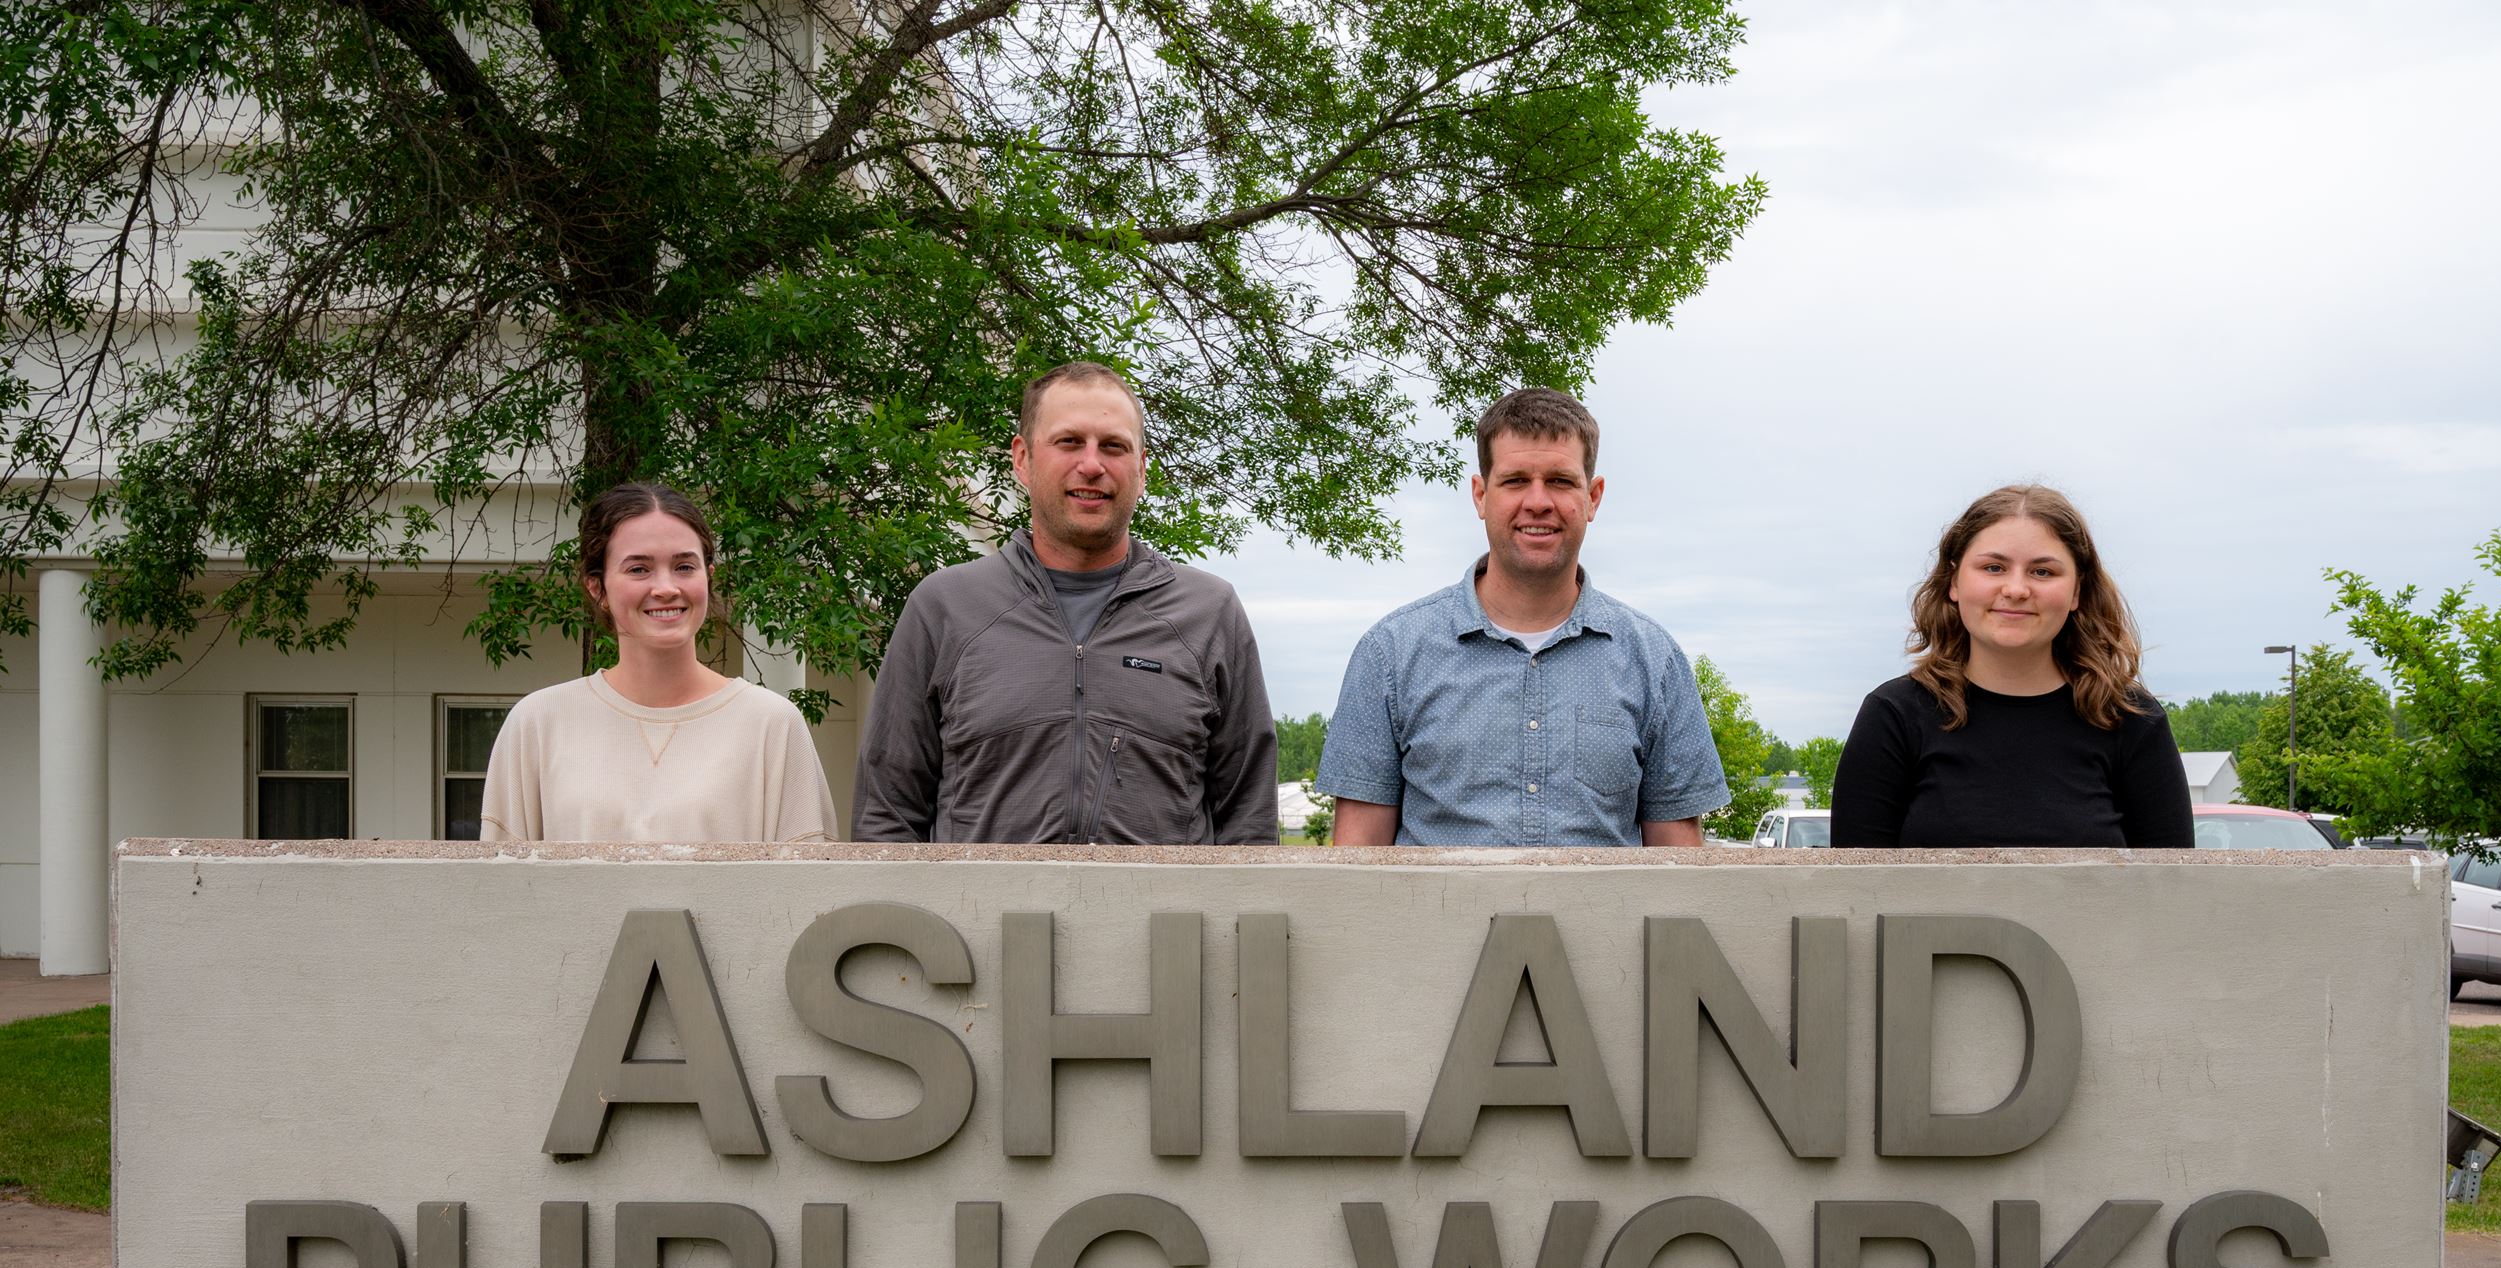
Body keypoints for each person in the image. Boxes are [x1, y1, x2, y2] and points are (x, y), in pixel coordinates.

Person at [850, 361, 1279, 844]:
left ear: (1140, 470)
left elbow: (1250, 823)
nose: (1092, 465)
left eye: (1114, 446)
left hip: (1160, 921)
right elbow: (886, 818)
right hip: (981, 919)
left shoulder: (1209, 613)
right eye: (1069, 441)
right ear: (1023, 459)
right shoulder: (944, 609)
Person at [1315, 388, 1727, 847]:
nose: (1537, 502)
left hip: (1604, 922)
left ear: (1593, 497)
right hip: (1438, 921)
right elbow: (1356, 862)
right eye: (1514, 481)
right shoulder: (1390, 654)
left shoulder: (1654, 660)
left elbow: (1677, 865)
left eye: (1559, 481)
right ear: (1480, 495)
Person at [1829, 483, 2194, 848]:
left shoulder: (2132, 721)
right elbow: (1854, 893)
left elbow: (2176, 892)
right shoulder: (1894, 717)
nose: (2016, 589)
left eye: (2042, 572)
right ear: (1954, 581)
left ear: (2077, 592)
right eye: (1994, 567)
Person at [479, 482, 840, 844]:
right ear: (597, 587)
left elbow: (808, 890)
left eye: (684, 566)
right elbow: (500, 888)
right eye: (638, 569)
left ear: (709, 577)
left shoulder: (772, 724)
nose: (666, 587)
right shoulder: (538, 723)